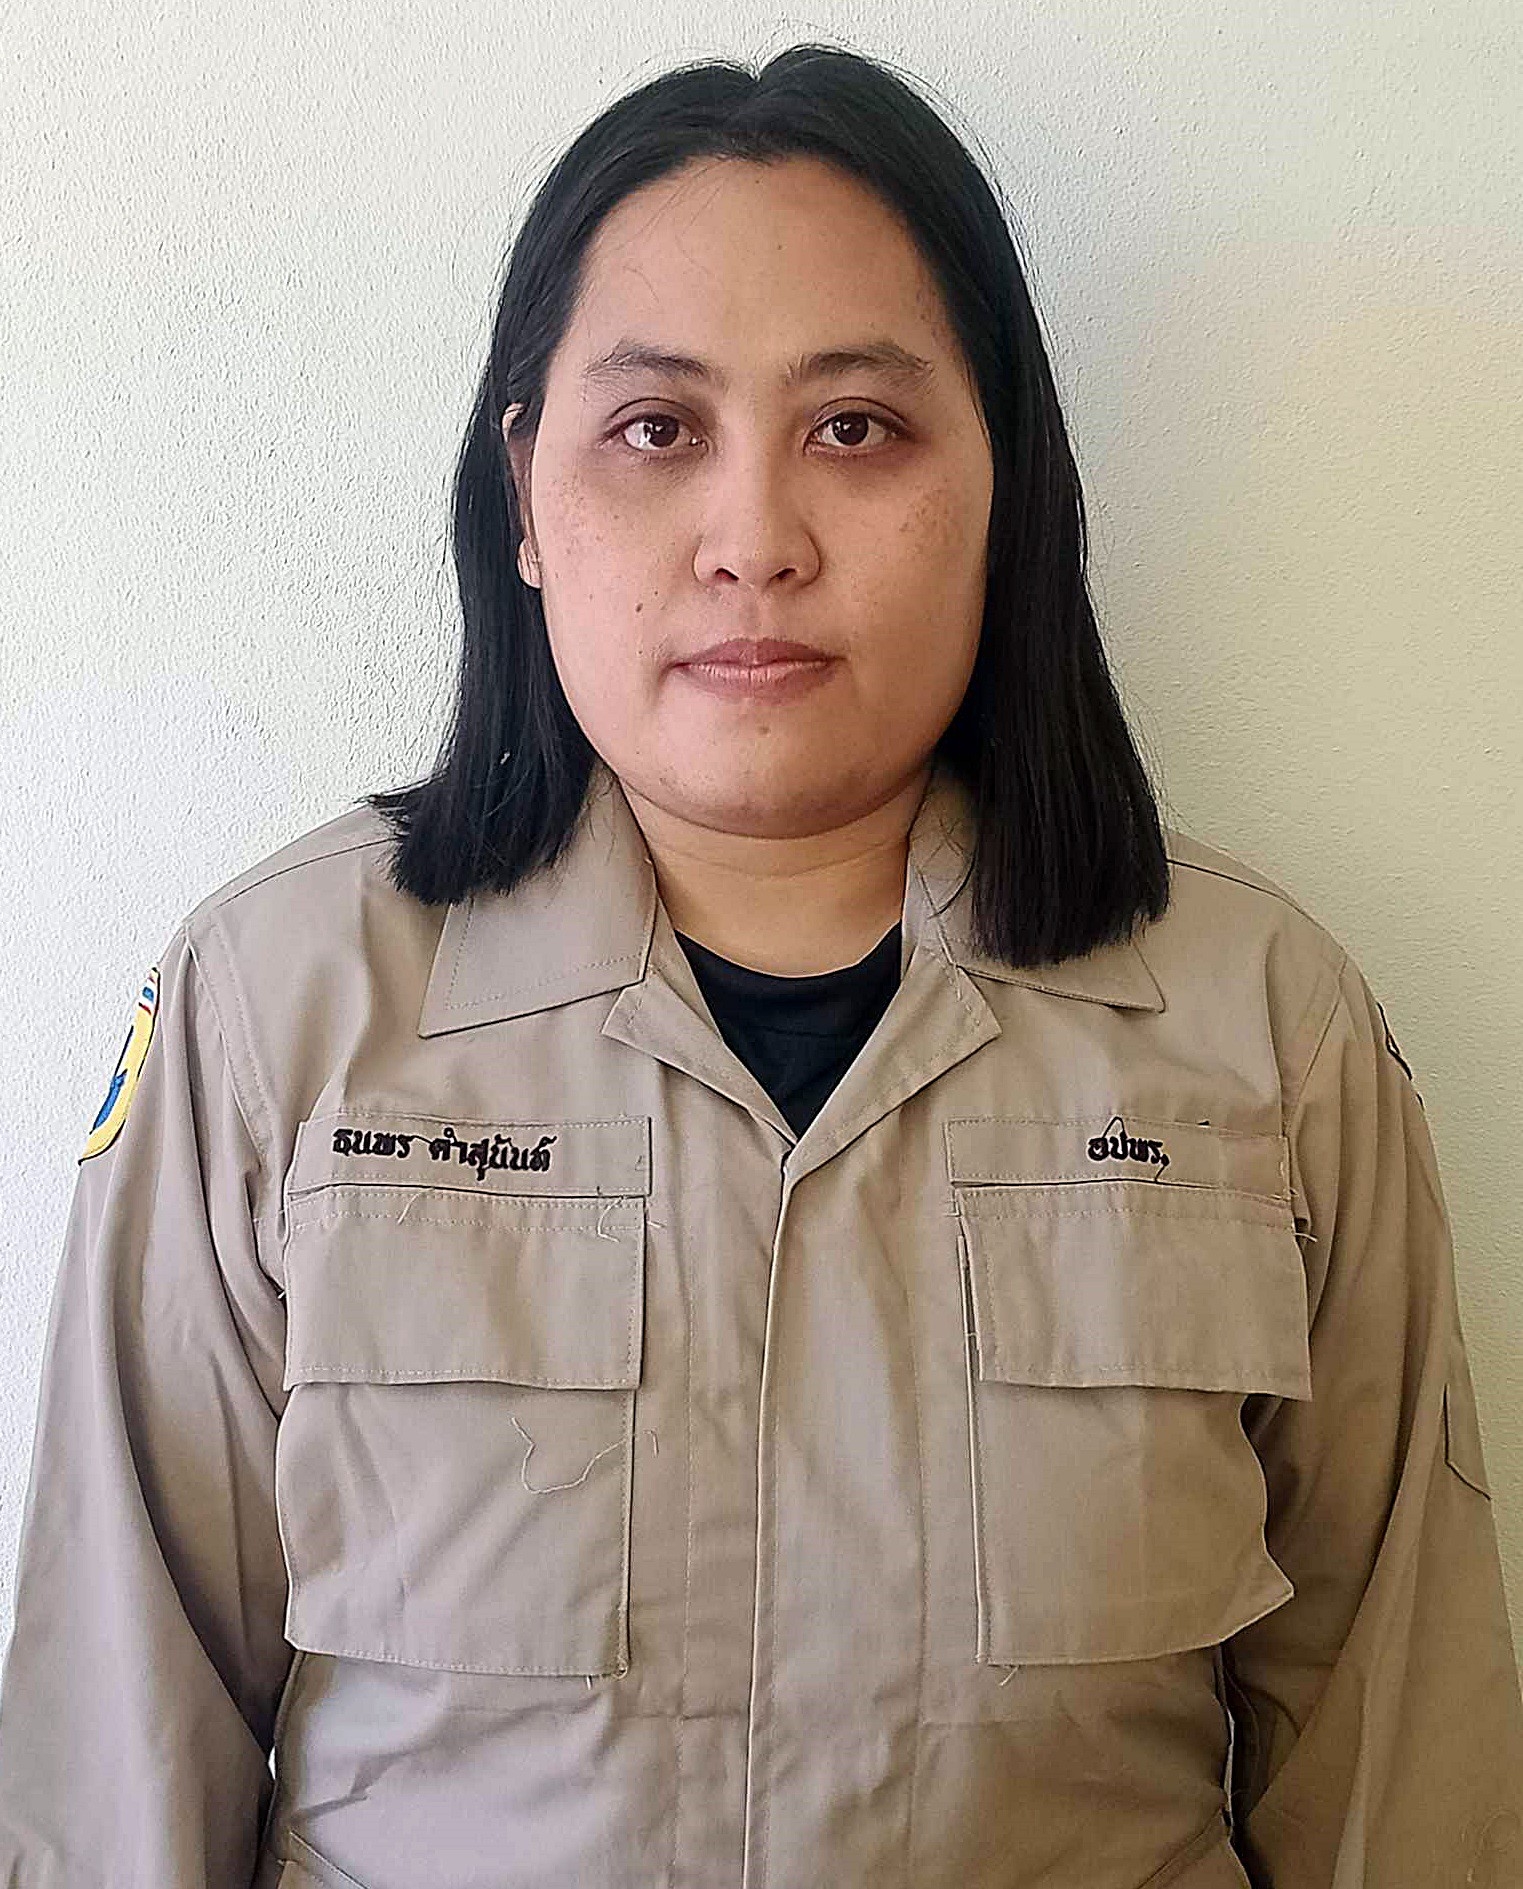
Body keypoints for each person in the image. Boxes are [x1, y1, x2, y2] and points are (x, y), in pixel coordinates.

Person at [1, 39, 1519, 1889]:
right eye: (658, 429)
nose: (754, 542)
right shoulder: (278, 1012)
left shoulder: (1265, 1031)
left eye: (856, 428)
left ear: (1006, 481)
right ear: (525, 495)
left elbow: (1395, 1763)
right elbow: (119, 1753)